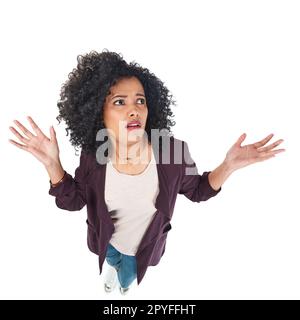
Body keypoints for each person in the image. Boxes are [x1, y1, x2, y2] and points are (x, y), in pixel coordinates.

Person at [8, 49, 286, 295]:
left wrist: (229, 165)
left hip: (144, 250)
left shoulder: (173, 152)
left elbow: (198, 191)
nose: (134, 110)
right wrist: (51, 164)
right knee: (110, 261)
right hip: (104, 240)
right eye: (120, 102)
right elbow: (74, 201)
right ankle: (109, 276)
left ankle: (123, 284)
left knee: (128, 277)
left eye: (140, 101)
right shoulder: (94, 155)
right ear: (98, 112)